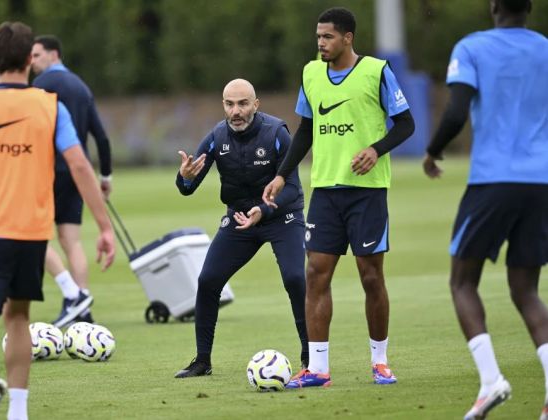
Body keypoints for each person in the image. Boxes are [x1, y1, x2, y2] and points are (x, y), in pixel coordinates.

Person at [0, 21, 114, 420]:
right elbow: (80, 166)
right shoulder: (50, 106)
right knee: (18, 318)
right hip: (32, 235)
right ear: (29, 62)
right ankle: (18, 411)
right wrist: (104, 227)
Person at [263, 7, 415, 388]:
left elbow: (407, 124)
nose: (321, 43)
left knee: (370, 277)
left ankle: (380, 362)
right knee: (316, 274)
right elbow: (305, 131)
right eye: (318, 37)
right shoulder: (311, 73)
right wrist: (281, 175)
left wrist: (376, 150)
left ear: (348, 38)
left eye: (327, 37)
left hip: (367, 193)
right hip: (325, 192)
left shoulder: (377, 71)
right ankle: (318, 368)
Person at [422, 0, 548, 418]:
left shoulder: (472, 47)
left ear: (493, 6)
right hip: (541, 183)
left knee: (462, 282)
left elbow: (457, 110)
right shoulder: (545, 48)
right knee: (526, 289)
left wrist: (433, 150)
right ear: (529, 7)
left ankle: (492, 381)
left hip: (494, 180)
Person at [174, 78, 308, 378]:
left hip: (281, 217)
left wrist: (265, 208)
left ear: (256, 105)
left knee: (296, 279)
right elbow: (187, 187)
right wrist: (183, 176)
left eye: (243, 103)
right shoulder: (216, 136)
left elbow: (292, 188)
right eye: (229, 104)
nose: (236, 111)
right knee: (208, 280)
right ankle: (202, 361)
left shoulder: (277, 134)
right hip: (239, 219)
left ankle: (310, 359)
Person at [31, 35, 113, 327]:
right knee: (71, 241)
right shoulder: (81, 86)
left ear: (54, 54)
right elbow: (101, 137)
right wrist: (105, 176)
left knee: (33, 236)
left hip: (45, 171)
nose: (32, 61)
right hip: (77, 175)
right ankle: (84, 306)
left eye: (37, 55)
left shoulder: (39, 87)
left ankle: (73, 296)